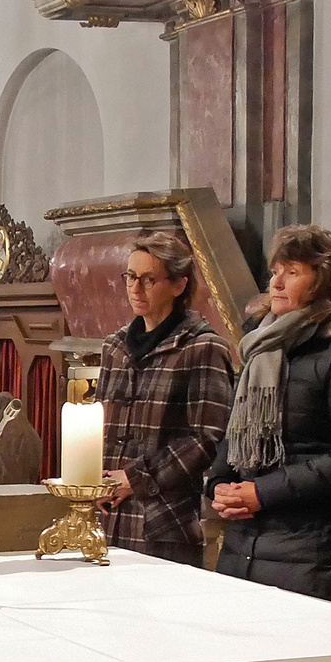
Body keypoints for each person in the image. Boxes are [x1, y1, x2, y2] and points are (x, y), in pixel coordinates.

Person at [206, 225, 331, 606]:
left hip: (317, 551)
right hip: (247, 544)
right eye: (275, 271)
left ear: (324, 280)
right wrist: (219, 483)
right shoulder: (263, 347)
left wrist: (263, 492)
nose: (276, 282)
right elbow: (238, 430)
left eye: (292, 272)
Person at [97, 233, 237, 565]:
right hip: (107, 514)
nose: (135, 288)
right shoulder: (115, 347)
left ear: (178, 285)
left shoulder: (203, 347)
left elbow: (205, 438)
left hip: (164, 522)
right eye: (130, 277)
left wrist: (135, 478)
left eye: (148, 279)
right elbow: (98, 427)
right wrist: (93, 479)